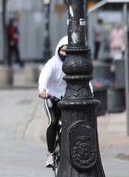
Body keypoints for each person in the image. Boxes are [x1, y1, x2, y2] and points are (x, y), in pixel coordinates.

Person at [38, 36, 92, 168]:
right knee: (53, 121)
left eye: (67, 52)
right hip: (51, 97)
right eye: (62, 51)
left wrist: (90, 93)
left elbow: (85, 80)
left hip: (67, 99)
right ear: (58, 50)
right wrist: (42, 90)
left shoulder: (75, 65)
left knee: (70, 125)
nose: (64, 54)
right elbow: (44, 76)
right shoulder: (52, 63)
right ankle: (50, 154)